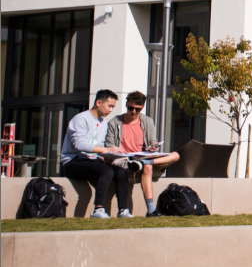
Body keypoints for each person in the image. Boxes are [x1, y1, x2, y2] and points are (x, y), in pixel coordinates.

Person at [59, 89, 135, 218]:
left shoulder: (103, 123)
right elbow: (79, 144)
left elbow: (98, 146)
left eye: (113, 107)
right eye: (109, 106)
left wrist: (105, 157)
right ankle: (98, 210)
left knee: (121, 172)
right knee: (107, 171)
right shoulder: (80, 119)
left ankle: (123, 210)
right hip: (73, 162)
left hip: (91, 162)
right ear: (99, 102)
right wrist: (107, 150)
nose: (111, 110)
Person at [105, 91, 182, 217]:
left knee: (175, 155)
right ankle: (151, 210)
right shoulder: (115, 122)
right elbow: (109, 148)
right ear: (126, 105)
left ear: (142, 107)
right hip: (125, 160)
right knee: (147, 167)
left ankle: (145, 162)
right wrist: (116, 150)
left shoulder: (147, 121)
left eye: (137, 109)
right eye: (131, 108)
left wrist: (153, 147)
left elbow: (152, 142)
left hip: (142, 159)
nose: (134, 112)